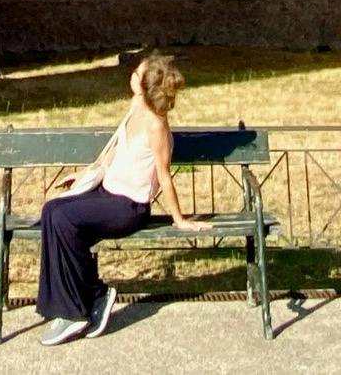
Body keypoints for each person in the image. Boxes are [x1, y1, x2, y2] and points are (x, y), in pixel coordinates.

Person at [36, 52, 212, 346]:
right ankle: (93, 294)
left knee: (64, 220)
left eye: (136, 72)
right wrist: (85, 175)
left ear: (143, 84)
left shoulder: (156, 125)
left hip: (128, 207)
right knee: (52, 210)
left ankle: (75, 312)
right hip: (108, 192)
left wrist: (179, 220)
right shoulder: (136, 105)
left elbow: (164, 175)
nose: (130, 74)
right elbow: (116, 151)